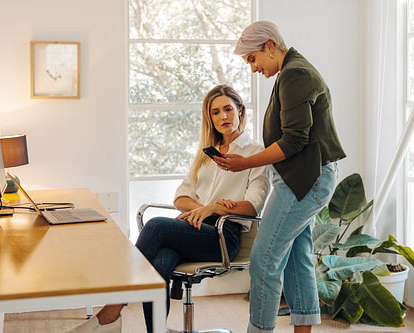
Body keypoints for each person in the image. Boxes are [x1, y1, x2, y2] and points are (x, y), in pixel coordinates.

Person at [68, 84, 269, 333]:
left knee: (155, 226)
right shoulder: (207, 154)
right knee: (160, 263)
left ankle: (111, 310)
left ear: (240, 110)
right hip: (194, 230)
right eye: (215, 112)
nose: (223, 117)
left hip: (223, 237)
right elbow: (180, 197)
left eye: (228, 109)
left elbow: (252, 206)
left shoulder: (256, 153)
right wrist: (203, 209)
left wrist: (214, 209)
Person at [212, 21, 346, 333]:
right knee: (297, 260)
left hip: (304, 182)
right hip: (302, 180)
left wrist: (245, 162)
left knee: (264, 260)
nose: (253, 68)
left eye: (252, 59)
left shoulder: (294, 74)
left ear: (270, 46)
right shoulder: (292, 71)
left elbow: (294, 140)